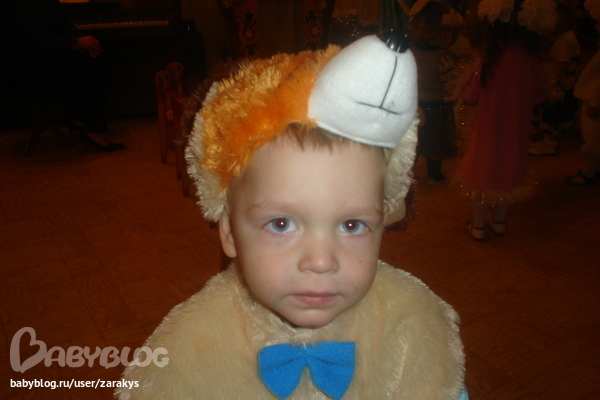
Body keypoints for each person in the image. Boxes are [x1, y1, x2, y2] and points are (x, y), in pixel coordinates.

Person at [115, 33, 466, 400]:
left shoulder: (416, 327)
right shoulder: (186, 355)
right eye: (281, 224)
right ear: (230, 231)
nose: (321, 262)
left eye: (352, 225)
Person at [455, 0, 553, 240]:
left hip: (487, 135)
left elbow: (470, 97)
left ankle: (478, 226)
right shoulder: (532, 65)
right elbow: (540, 96)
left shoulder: (487, 63)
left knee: (482, 178)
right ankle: (499, 221)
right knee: (510, 177)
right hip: (516, 135)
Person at [6, 0, 124, 152]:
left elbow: (65, 25)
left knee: (98, 58)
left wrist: (84, 41)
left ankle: (80, 118)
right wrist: (74, 44)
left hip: (50, 52)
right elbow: (34, 39)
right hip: (28, 64)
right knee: (96, 64)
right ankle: (92, 128)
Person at [409, 0, 462, 185]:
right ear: (443, 33)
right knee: (436, 143)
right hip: (438, 109)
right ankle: (434, 174)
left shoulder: (412, 52)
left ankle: (404, 173)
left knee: (413, 142)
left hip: (414, 107)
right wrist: (454, 96)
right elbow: (452, 83)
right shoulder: (442, 57)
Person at [529, 2, 580, 156]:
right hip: (554, 82)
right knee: (548, 110)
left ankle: (549, 142)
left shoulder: (567, 39)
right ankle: (544, 141)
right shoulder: (559, 37)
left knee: (554, 112)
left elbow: (561, 65)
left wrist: (551, 82)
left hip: (561, 84)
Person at [564, 0, 600, 186]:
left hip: (594, 99)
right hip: (591, 96)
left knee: (593, 140)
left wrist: (595, 103)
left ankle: (589, 172)